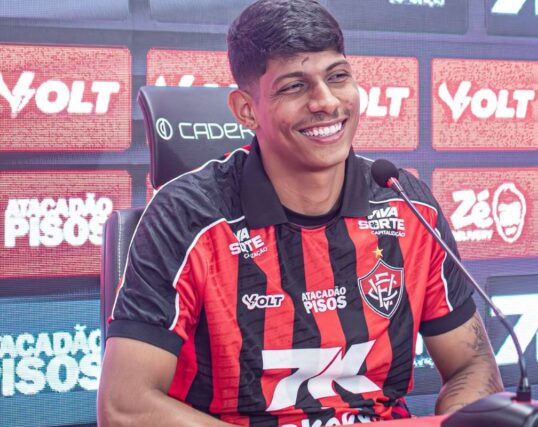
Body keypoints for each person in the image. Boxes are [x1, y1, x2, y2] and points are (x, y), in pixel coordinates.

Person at [97, 1, 503, 426]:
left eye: (338, 76)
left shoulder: (407, 205)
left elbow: (472, 365)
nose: (326, 101)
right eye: (294, 86)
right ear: (246, 110)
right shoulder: (186, 217)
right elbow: (125, 406)